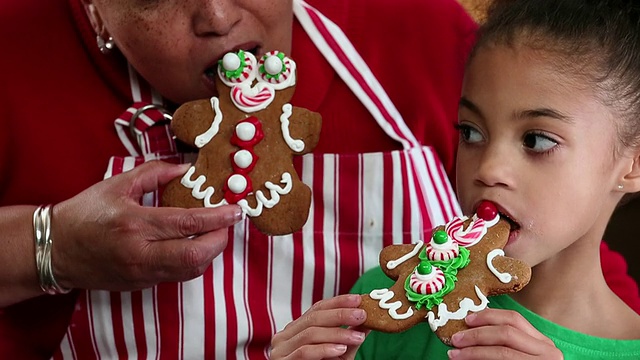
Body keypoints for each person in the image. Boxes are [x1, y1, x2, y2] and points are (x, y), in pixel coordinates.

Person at [0, 0, 637, 358]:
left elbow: (566, 252)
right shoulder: (15, 58)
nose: (218, 16)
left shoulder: (421, 34)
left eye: (534, 142)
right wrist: (46, 246)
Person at [270, 0, 640, 359]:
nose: (488, 169)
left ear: (633, 164)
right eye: (471, 133)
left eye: (536, 141)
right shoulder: (385, 303)